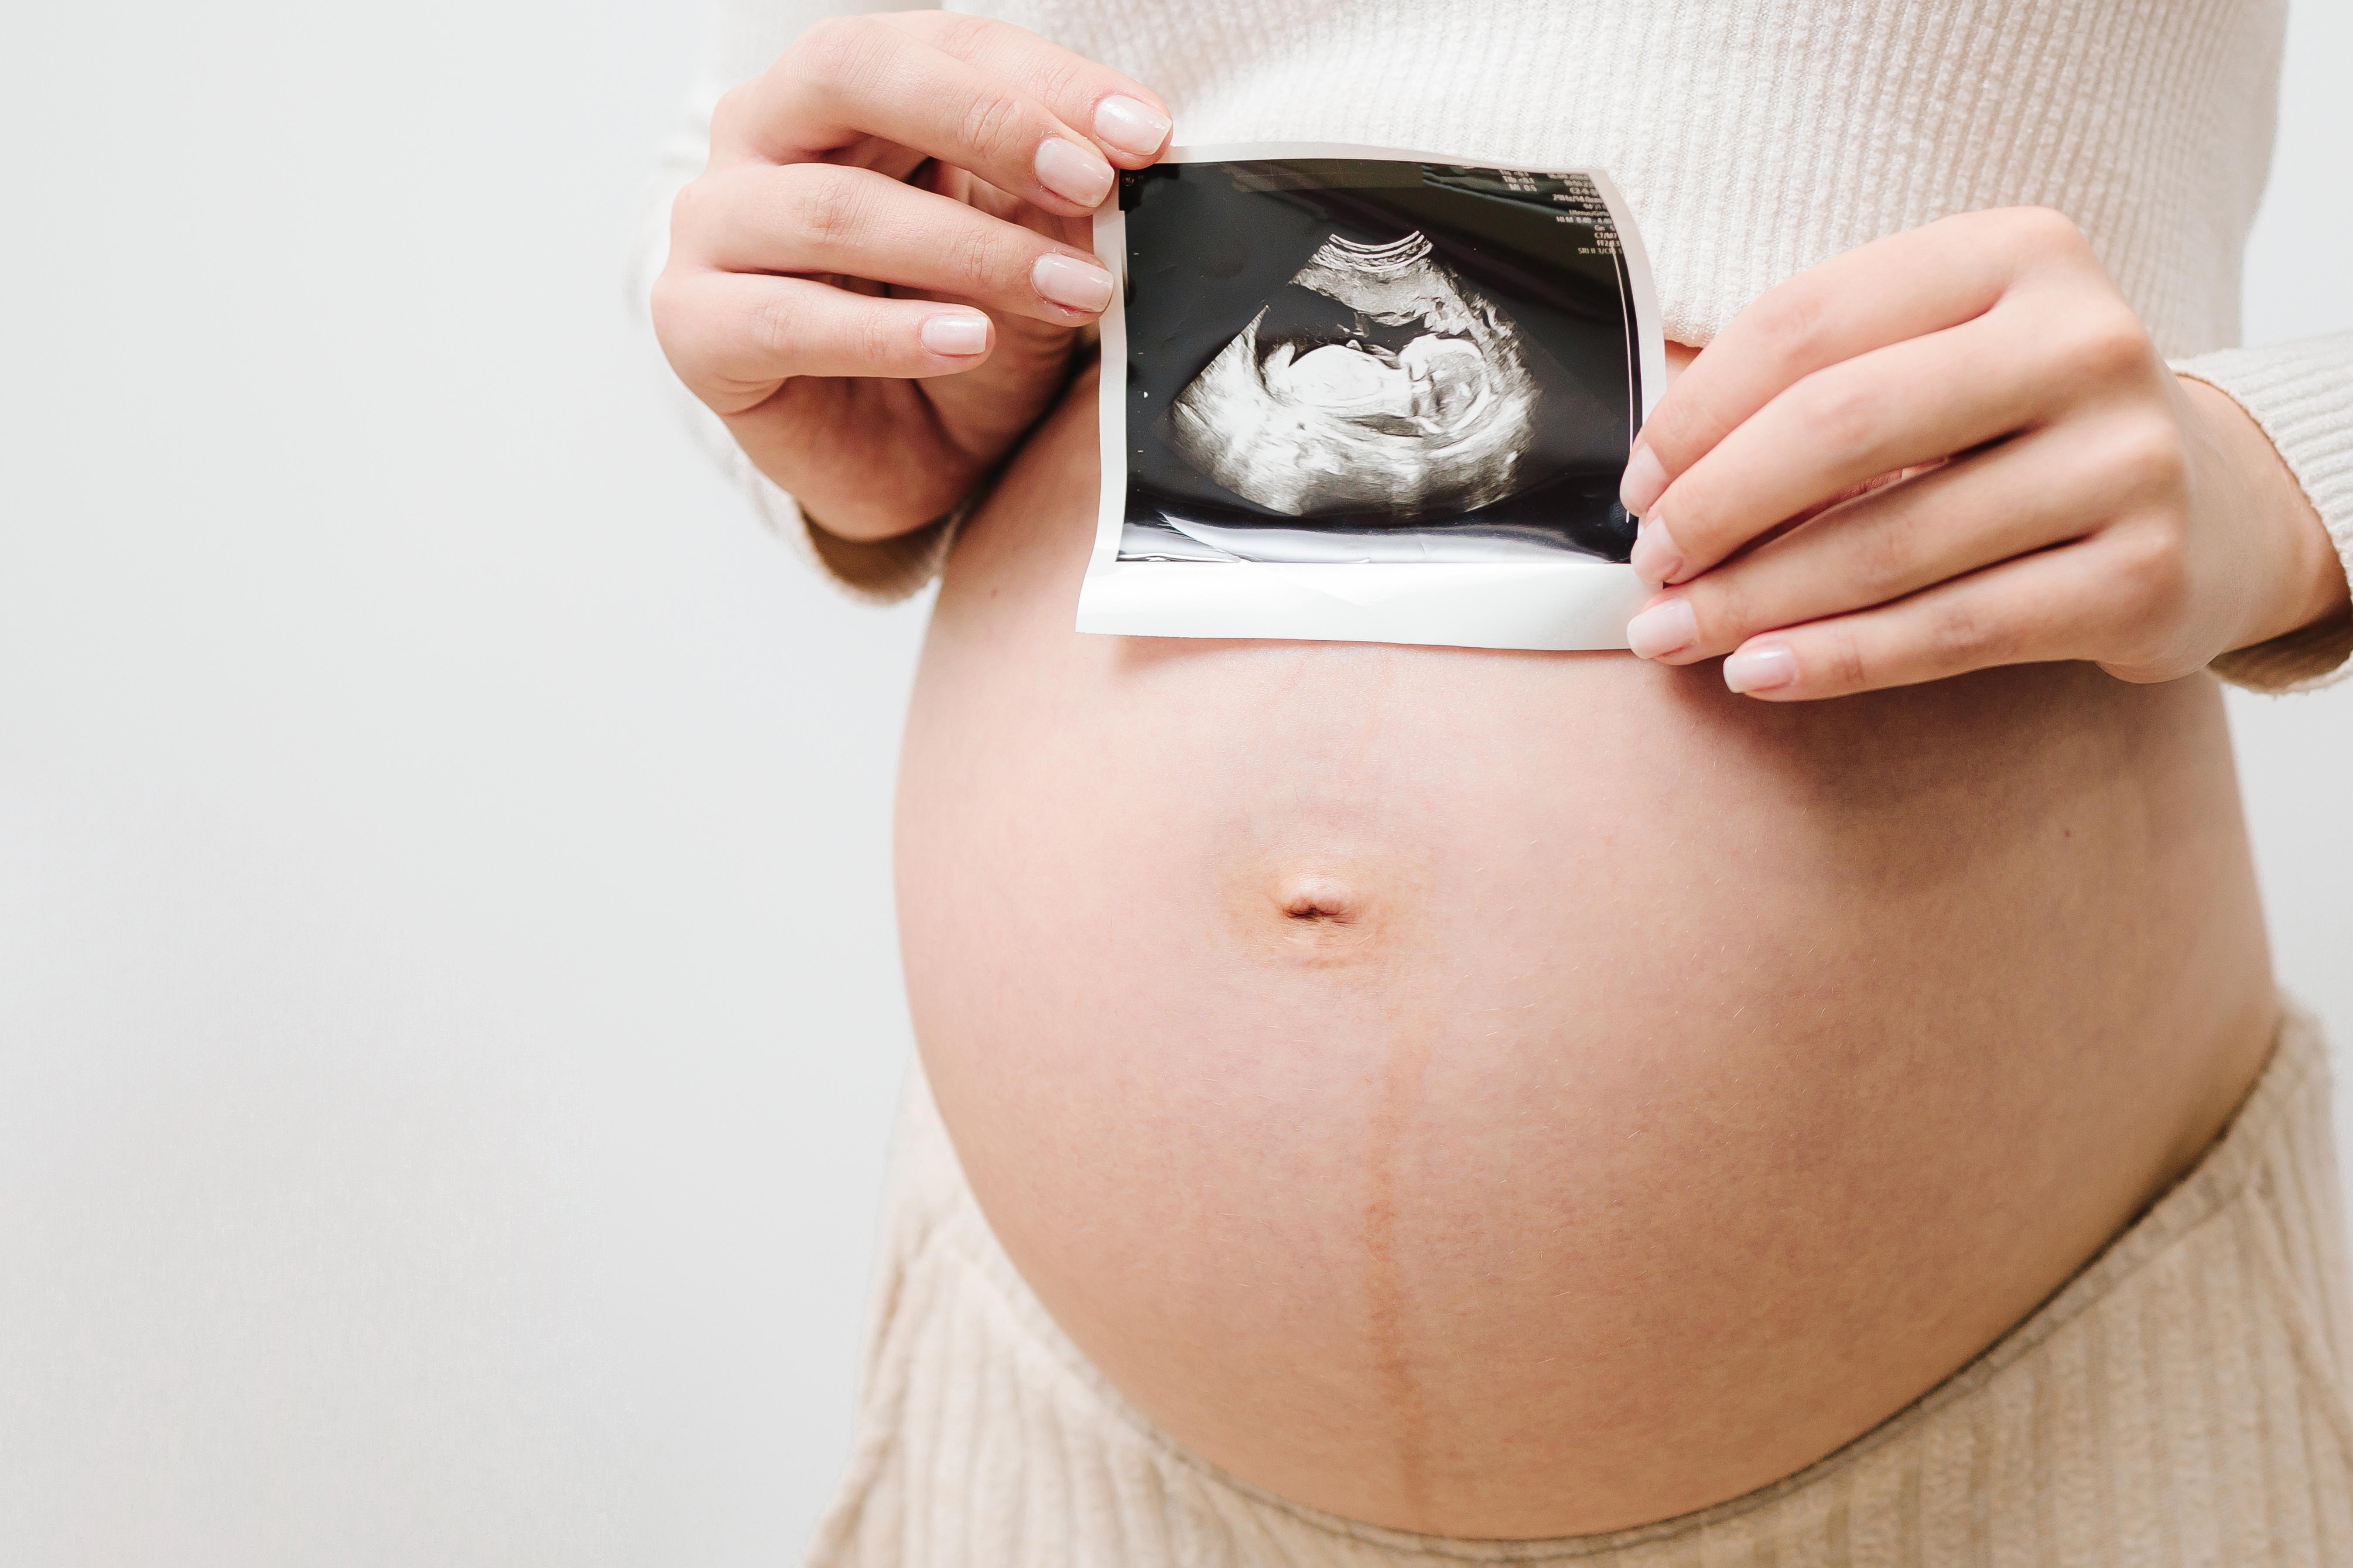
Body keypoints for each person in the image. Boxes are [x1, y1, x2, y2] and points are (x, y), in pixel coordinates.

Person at [635, 2, 2353, 1560]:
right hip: (1061, 1451)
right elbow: (754, 154)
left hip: (2034, 1438)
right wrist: (832, 355)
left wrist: (2287, 477)